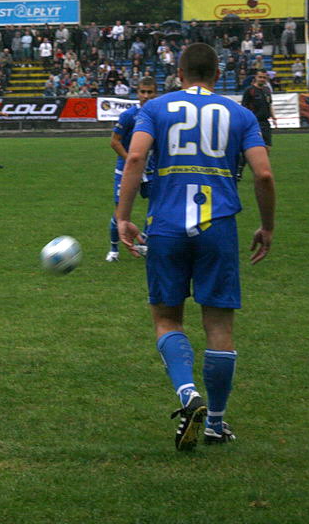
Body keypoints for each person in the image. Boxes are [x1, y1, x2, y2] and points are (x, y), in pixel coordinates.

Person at [115, 42, 275, 451]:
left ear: (179, 75)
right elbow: (263, 175)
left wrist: (122, 217)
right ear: (218, 75)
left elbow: (134, 159)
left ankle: (187, 393)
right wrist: (267, 227)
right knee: (219, 325)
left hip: (166, 224)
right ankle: (216, 423)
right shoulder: (240, 114)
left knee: (167, 318)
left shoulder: (155, 108)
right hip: (217, 225)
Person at [106, 77, 156, 262]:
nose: (146, 96)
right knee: (120, 211)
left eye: (150, 92)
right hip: (127, 169)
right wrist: (132, 162)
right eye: (143, 92)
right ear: (138, 93)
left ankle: (145, 243)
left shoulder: (160, 116)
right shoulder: (129, 116)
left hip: (151, 171)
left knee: (156, 206)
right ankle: (114, 249)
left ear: (155, 93)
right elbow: (114, 142)